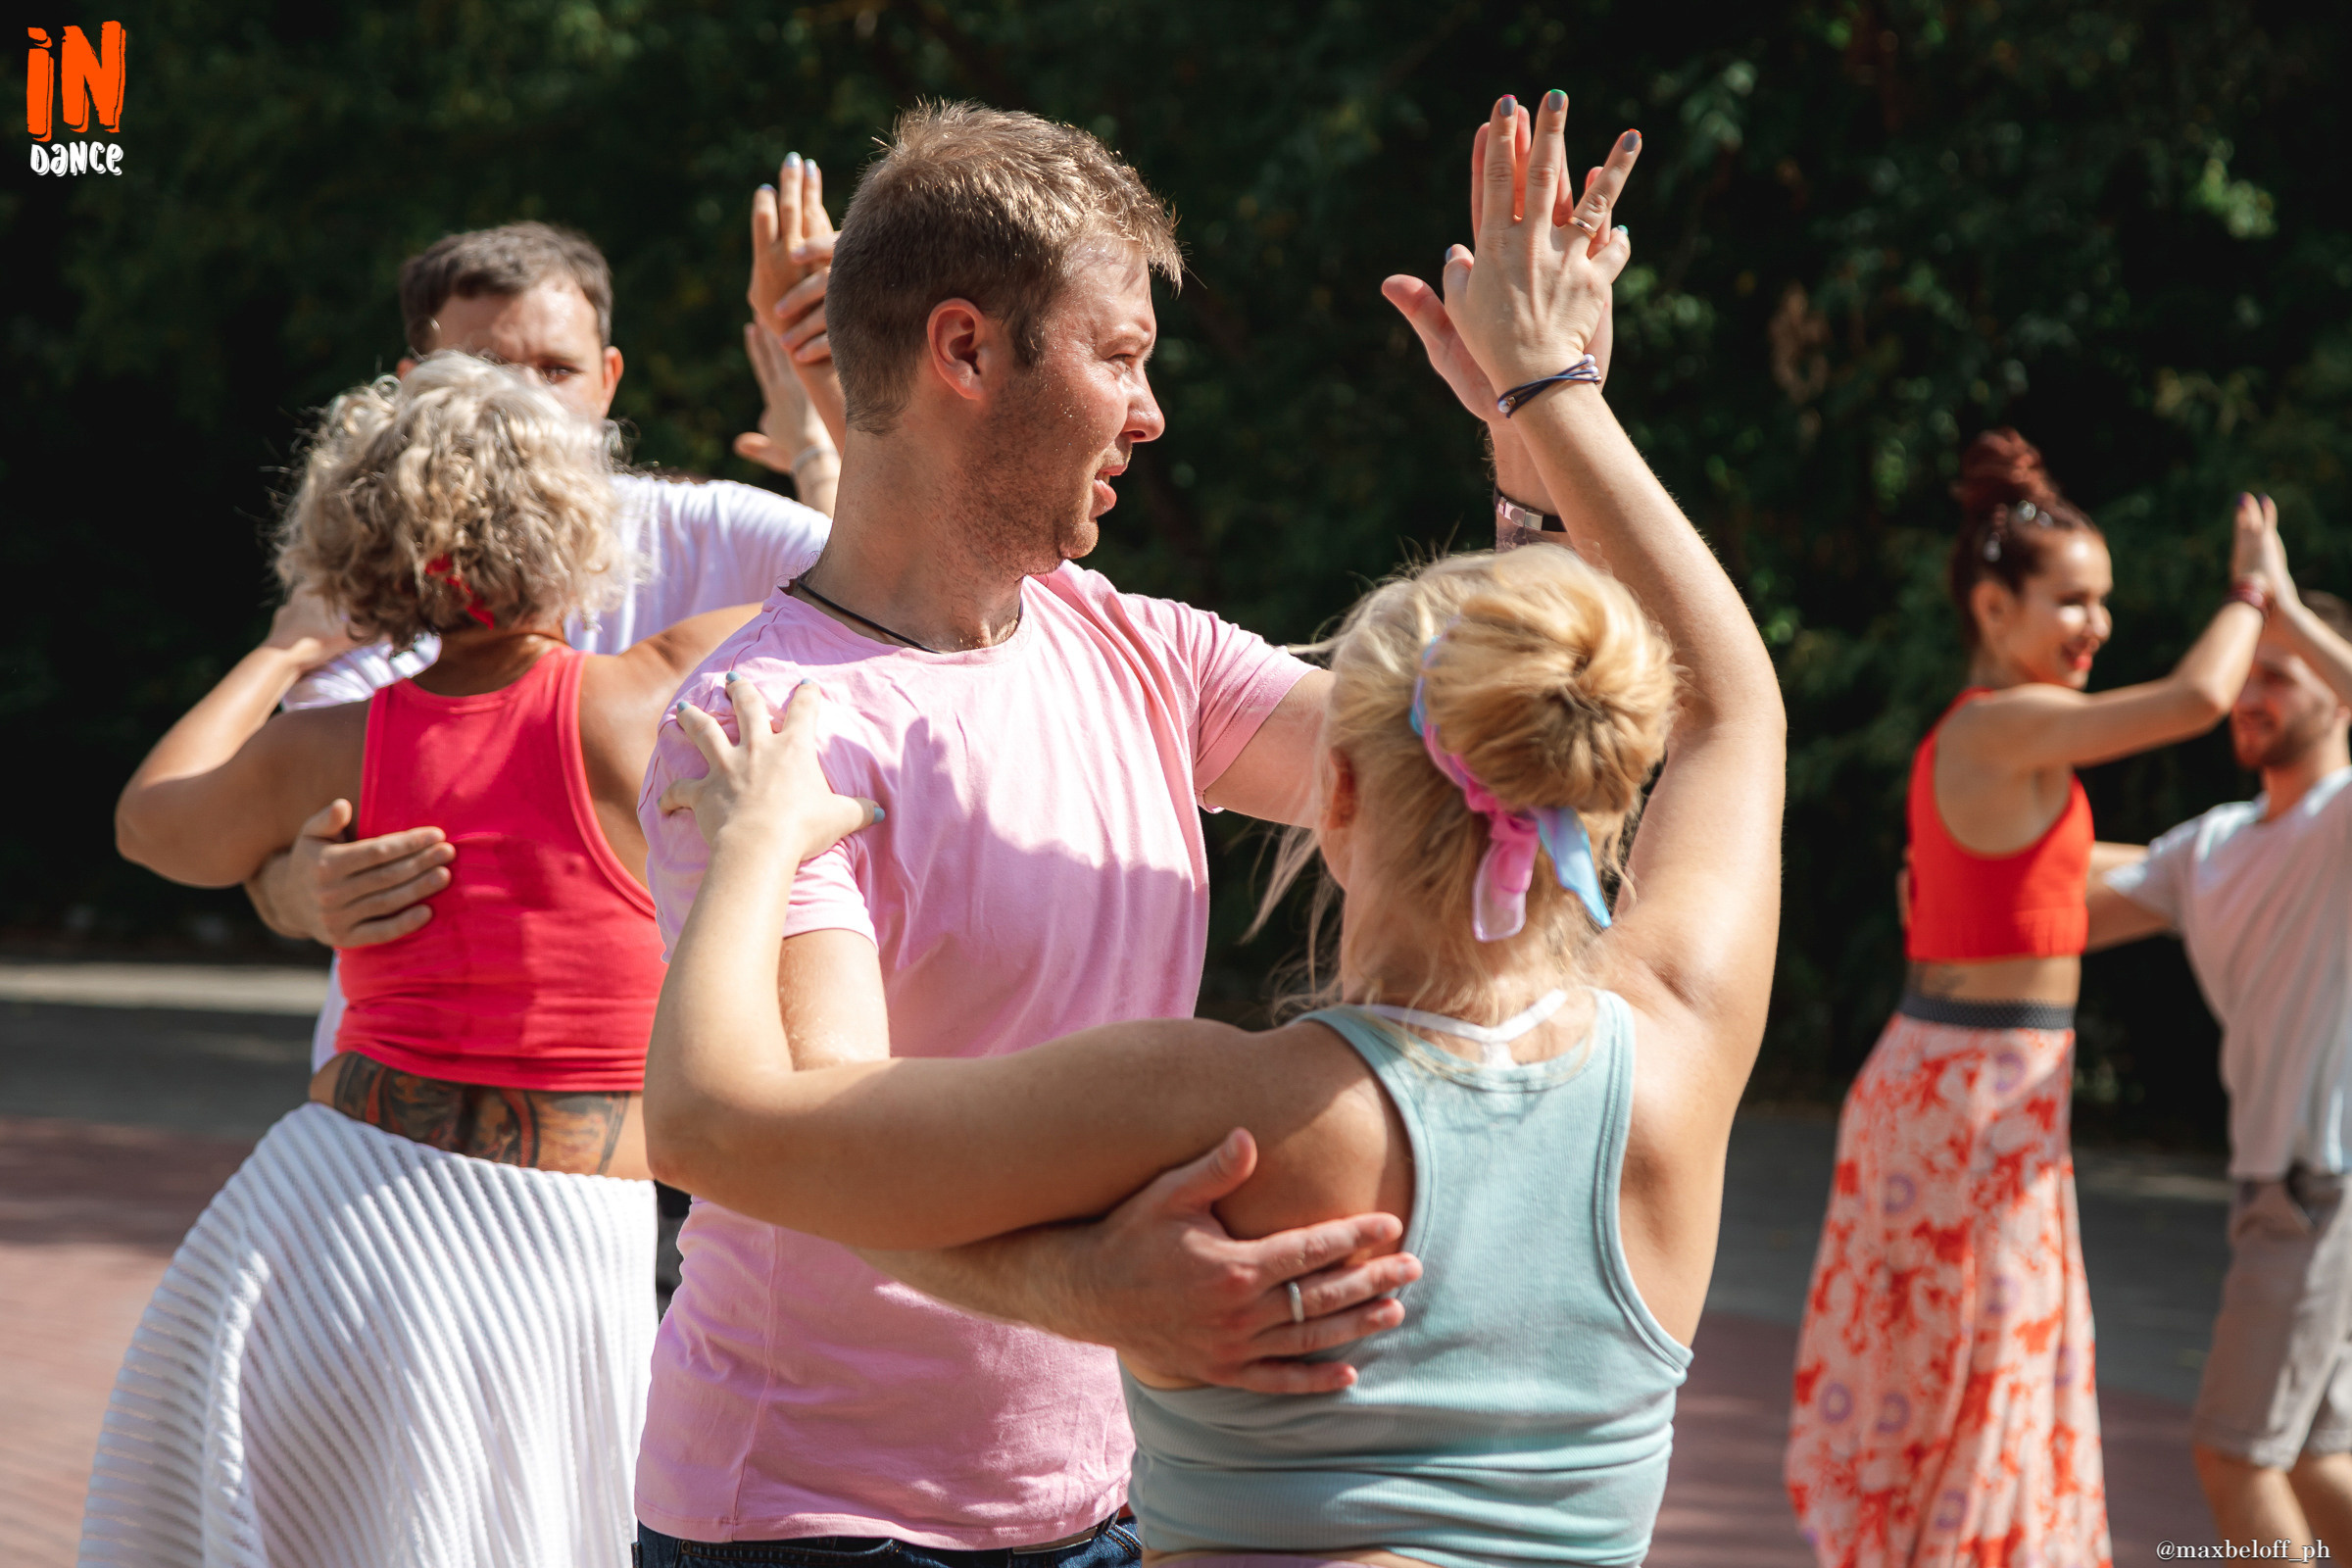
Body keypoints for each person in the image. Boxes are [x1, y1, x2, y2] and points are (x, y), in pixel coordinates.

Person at [634, 87, 1781, 1568]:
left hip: (1113, 1505)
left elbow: (1473, 764)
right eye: (1121, 357)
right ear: (965, 351)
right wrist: (1090, 1296)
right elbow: (813, 1141)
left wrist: (1529, 450)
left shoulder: (1145, 653)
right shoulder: (771, 729)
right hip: (823, 1521)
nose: (1154, 409)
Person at [84, 355, 760, 1568]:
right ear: (573, 524)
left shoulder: (335, 743)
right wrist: (816, 448)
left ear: (374, 551)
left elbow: (153, 824)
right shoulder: (649, 697)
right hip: (560, 1238)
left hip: (328, 1214)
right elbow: (874, 596)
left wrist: (291, 651)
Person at [243, 217, 839, 1308]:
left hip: (666, 1142)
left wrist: (819, 441)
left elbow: (877, 591)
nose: (527, 402)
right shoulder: (372, 584)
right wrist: (298, 891)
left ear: (609, 380)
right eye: (484, 368)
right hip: (397, 1146)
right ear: (415, 383)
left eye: (557, 370)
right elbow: (266, 836)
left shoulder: (708, 530)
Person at [1785, 432, 2278, 1568]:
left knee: (1993, 1370)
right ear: (1995, 610)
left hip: (1986, 1095)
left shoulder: (2013, 756)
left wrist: (2268, 865)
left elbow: (2093, 898)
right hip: (1967, 1101)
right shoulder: (2001, 726)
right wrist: (2256, 587)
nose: (2097, 626)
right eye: (2074, 601)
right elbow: (2204, 695)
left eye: (2104, 601)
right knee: (1982, 1370)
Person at [2084, 514, 2352, 1552]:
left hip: (2319, 1187)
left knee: (2234, 1455)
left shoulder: (2341, 819)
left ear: (2335, 694)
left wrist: (2277, 604)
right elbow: (2072, 907)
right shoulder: (2216, 845)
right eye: (2248, 674)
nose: (2251, 693)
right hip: (2283, 1192)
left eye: (2279, 674)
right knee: (2314, 1458)